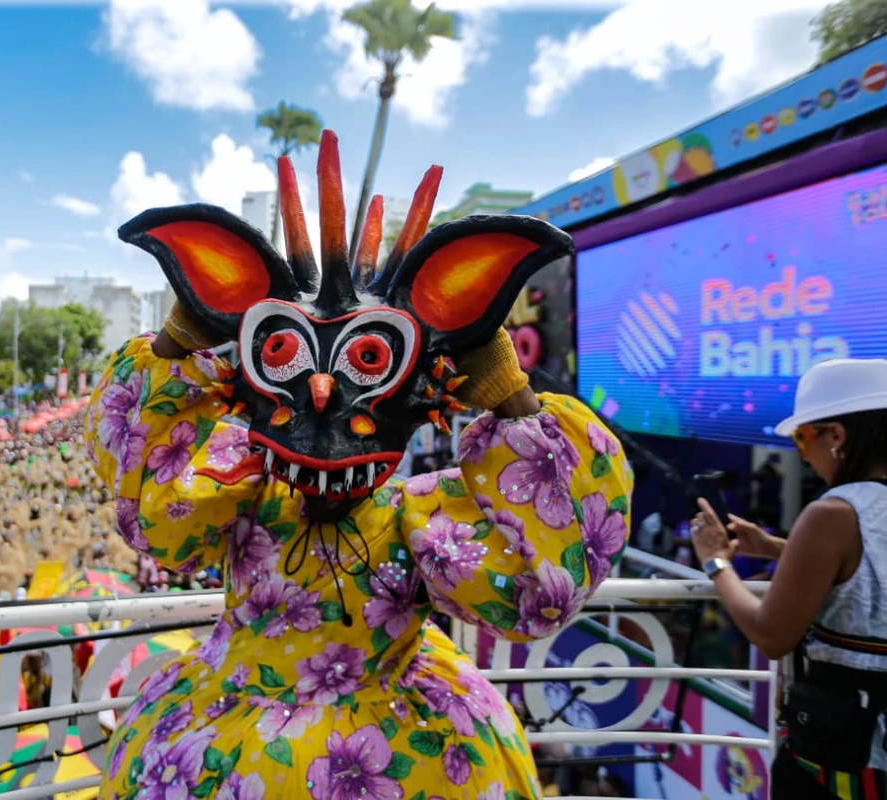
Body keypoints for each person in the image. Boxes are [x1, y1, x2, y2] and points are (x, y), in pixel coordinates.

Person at [85, 130, 633, 798]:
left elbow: (540, 591)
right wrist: (180, 335)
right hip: (223, 726)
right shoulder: (235, 492)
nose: (322, 397)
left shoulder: (421, 520)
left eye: (369, 361)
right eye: (286, 355)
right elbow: (148, 500)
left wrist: (511, 396)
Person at [690, 358, 887, 798]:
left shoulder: (832, 513)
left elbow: (771, 633)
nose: (802, 453)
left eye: (802, 437)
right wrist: (782, 549)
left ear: (837, 436)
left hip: (844, 759)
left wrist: (716, 562)